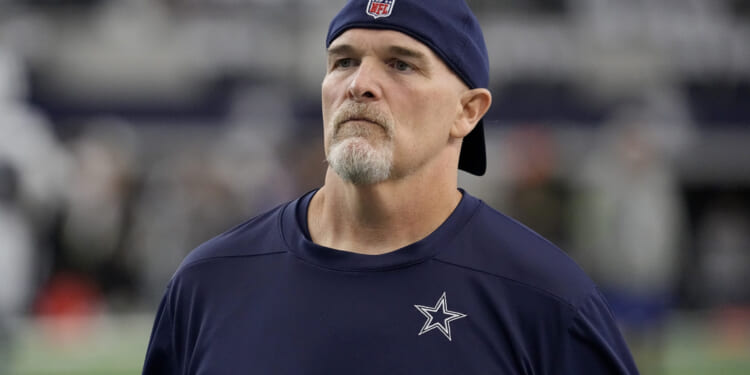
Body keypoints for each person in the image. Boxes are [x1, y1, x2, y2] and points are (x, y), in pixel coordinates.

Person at [142, 1, 639, 373]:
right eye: (342, 61)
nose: (359, 84)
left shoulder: (545, 299)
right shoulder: (209, 283)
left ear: (468, 111)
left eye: (401, 63)